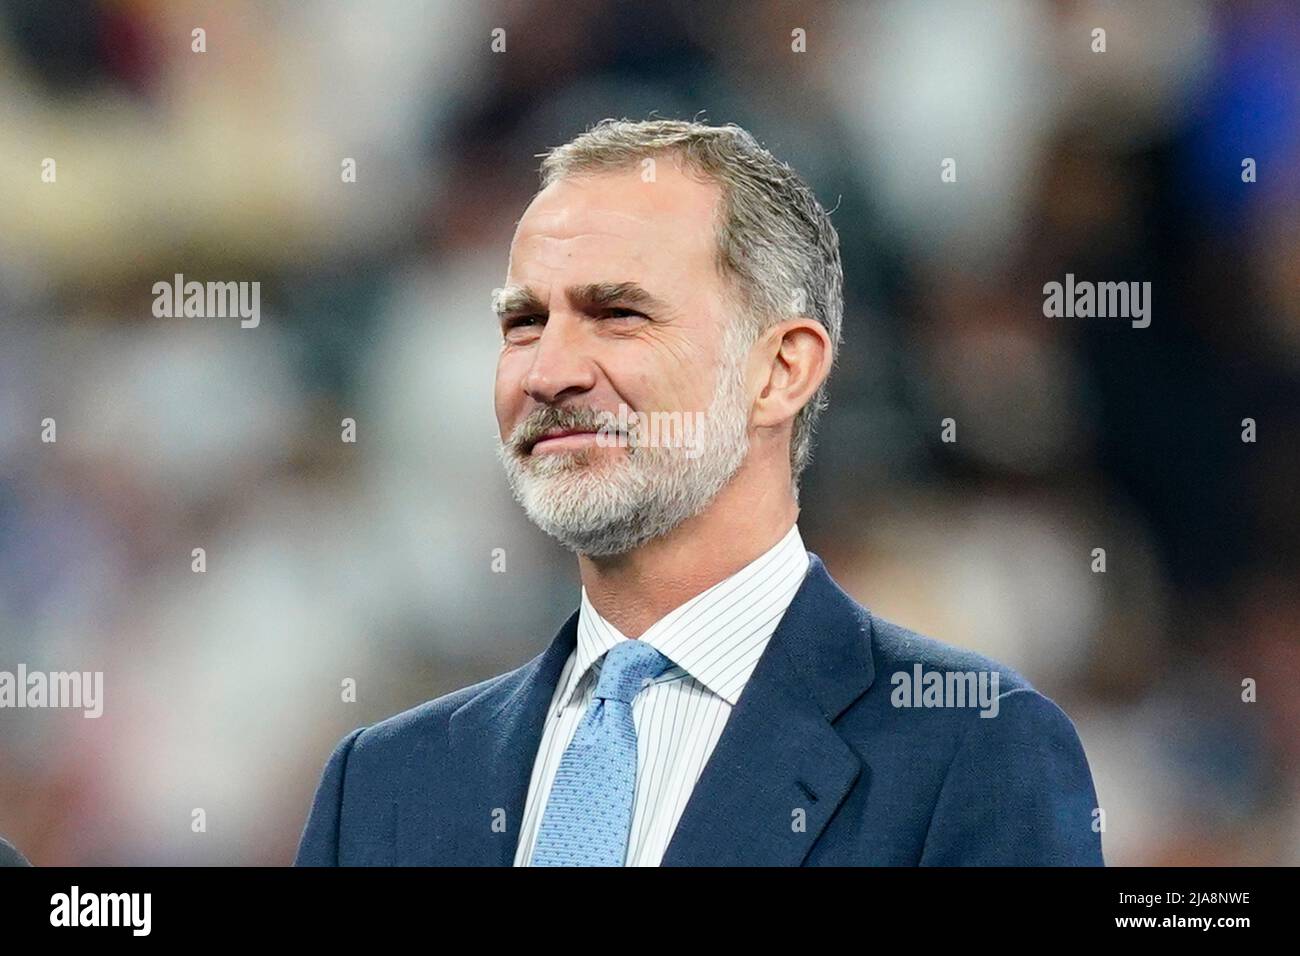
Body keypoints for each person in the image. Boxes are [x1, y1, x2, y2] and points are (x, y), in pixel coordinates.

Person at [294, 118, 1104, 866]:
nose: (548, 371)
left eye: (617, 313)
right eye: (524, 322)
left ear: (781, 370)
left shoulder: (973, 753)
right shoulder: (381, 789)